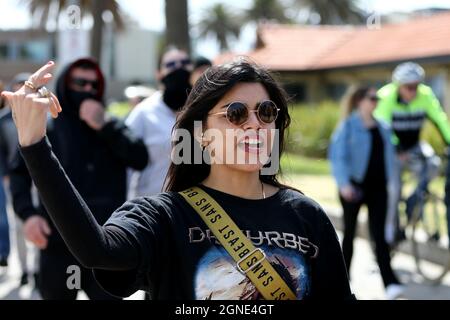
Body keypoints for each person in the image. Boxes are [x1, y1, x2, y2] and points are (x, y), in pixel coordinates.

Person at [1, 59, 354, 300]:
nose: (254, 125)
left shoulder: (307, 217)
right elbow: (97, 250)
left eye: (265, 112)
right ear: (201, 134)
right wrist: (34, 143)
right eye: (235, 113)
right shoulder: (164, 216)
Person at [8, 58, 148, 300]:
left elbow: (139, 158)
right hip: (56, 244)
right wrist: (28, 215)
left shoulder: (111, 124)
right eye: (80, 83)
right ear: (65, 84)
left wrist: (104, 126)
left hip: (106, 245)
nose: (87, 91)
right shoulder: (48, 127)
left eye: (93, 86)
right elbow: (18, 172)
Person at [329, 86, 404, 300]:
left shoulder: (383, 127)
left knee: (379, 237)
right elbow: (337, 156)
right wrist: (344, 184)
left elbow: (390, 155)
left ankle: (390, 283)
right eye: (372, 98)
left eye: (377, 98)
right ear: (360, 101)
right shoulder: (348, 126)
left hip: (378, 189)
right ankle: (342, 281)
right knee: (350, 234)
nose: (376, 102)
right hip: (353, 187)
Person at [374, 62, 450, 245]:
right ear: (398, 85)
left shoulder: (425, 94)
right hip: (393, 148)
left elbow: (440, 120)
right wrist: (397, 149)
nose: (413, 91)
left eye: (416, 86)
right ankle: (390, 234)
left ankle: (414, 199)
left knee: (433, 163)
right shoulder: (386, 96)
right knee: (393, 189)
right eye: (409, 87)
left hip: (415, 144)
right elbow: (383, 130)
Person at [125, 47, 193, 199]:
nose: (179, 68)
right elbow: (127, 164)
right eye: (171, 65)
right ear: (158, 74)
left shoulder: (206, 111)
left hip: (195, 210)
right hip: (153, 210)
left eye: (184, 63)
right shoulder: (143, 113)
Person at [0, 73, 40, 286]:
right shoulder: (3, 120)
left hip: (41, 179)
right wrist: (6, 174)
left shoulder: (42, 116)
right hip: (15, 180)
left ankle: (37, 269)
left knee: (43, 221)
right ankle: (25, 269)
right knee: (18, 223)